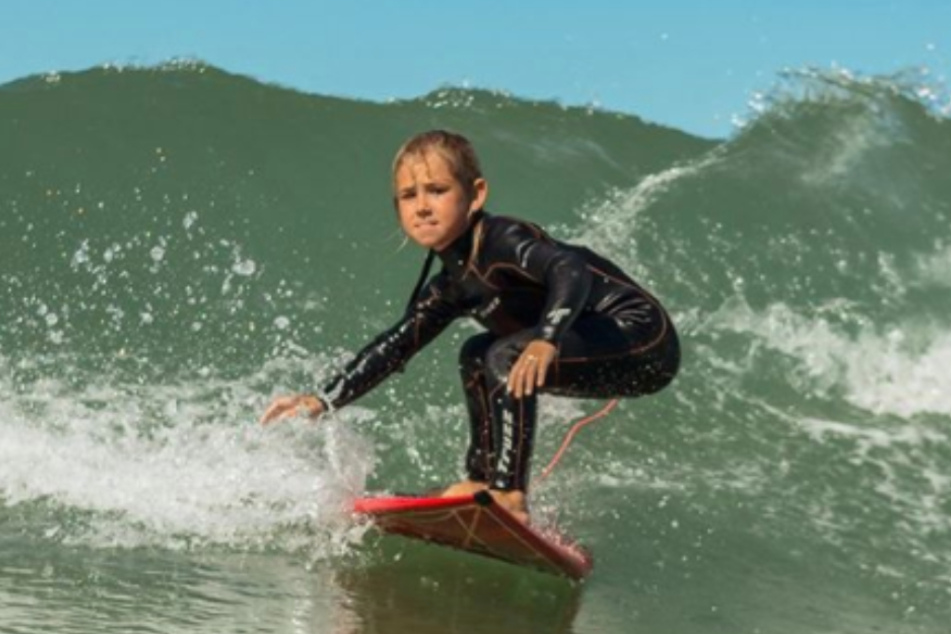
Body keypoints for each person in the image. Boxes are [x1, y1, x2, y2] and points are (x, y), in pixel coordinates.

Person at [260, 130, 680, 523]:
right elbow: (395, 346)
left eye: (437, 191)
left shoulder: (503, 240)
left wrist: (547, 338)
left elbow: (568, 266)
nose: (422, 206)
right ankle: (481, 480)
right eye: (409, 196)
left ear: (476, 195)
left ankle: (510, 494)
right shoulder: (450, 286)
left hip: (642, 340)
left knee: (503, 354)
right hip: (593, 348)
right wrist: (323, 399)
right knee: (476, 354)